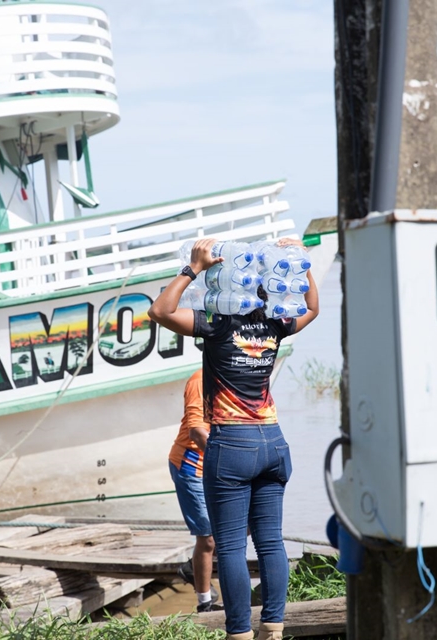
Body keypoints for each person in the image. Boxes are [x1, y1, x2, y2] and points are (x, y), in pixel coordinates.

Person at [148, 237, 319, 640]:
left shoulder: (218, 323)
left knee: (229, 547)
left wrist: (193, 267)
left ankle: (239, 634)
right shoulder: (276, 324)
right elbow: (312, 307)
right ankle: (273, 629)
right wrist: (300, 262)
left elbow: (160, 311)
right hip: (274, 443)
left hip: (232, 444)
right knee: (271, 543)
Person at [168, 369, 218, 612]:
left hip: (218, 465)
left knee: (243, 526)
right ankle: (204, 604)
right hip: (191, 466)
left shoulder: (235, 374)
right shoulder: (200, 380)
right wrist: (227, 460)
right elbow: (197, 432)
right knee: (207, 538)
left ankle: (193, 568)